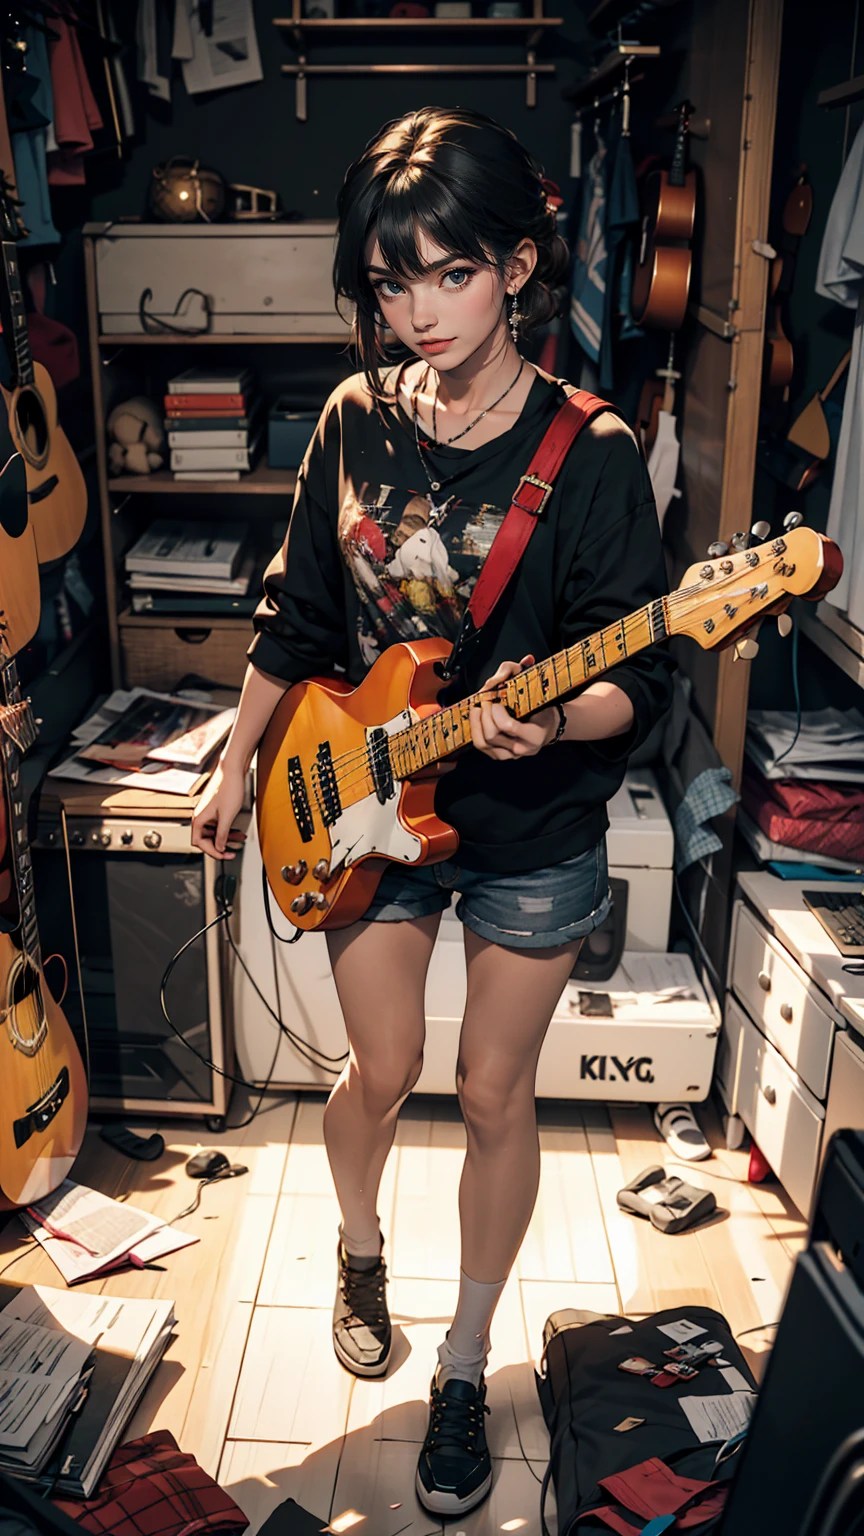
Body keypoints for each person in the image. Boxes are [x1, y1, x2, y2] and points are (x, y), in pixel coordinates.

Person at [191, 106, 674, 1519]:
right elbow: (295, 615)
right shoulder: (355, 418)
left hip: (531, 827)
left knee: (491, 1091)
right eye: (391, 283)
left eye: (449, 274)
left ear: (519, 264)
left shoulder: (587, 447)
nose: (419, 313)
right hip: (360, 804)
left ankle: (464, 1360)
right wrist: (235, 765)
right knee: (384, 1068)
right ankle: (357, 1245)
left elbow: (634, 672)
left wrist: (558, 711)